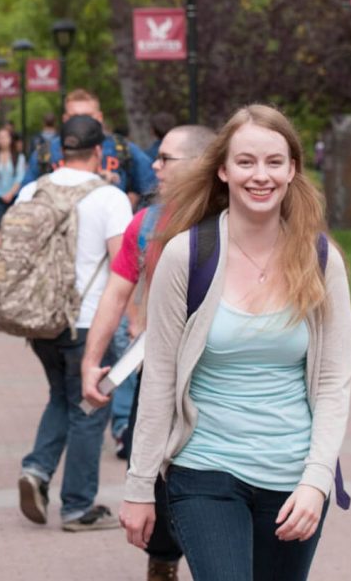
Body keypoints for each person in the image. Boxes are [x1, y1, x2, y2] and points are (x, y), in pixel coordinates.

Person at [120, 105, 351, 581]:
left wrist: (317, 480)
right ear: (224, 169)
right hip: (204, 470)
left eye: (274, 162)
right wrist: (139, 485)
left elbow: (334, 381)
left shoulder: (320, 259)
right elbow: (160, 379)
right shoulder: (187, 255)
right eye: (246, 162)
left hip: (293, 477)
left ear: (293, 169)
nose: (260, 175)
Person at [80, 125, 216, 580]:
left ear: (201, 163)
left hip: (220, 377)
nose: (153, 166)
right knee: (155, 471)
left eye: (165, 158)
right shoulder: (147, 223)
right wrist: (91, 361)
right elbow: (115, 294)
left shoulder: (240, 219)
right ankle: (163, 561)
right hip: (157, 370)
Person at [15, 114, 133, 532]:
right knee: (89, 409)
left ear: (60, 152)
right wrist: (134, 319)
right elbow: (125, 264)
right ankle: (78, 506)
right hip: (88, 322)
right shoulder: (109, 197)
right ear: (99, 151)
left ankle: (37, 469)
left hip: (40, 320)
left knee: (61, 398)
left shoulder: (32, 189)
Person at [20, 89, 157, 208]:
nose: (82, 122)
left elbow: (154, 191)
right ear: (65, 119)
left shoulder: (124, 149)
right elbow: (25, 199)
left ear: (99, 117)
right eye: (75, 117)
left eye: (88, 116)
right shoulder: (46, 153)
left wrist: (133, 206)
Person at [0, 125, 26, 229]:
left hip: (14, 197)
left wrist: (10, 194)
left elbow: (20, 178)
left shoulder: (19, 157)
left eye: (5, 137)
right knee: (1, 228)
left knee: (13, 228)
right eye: (0, 137)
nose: (3, 140)